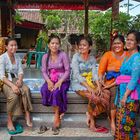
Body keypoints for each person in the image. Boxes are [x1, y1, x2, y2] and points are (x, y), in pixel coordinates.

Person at [71, 35, 109, 133]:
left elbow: (94, 74)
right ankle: (92, 123)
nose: (81, 47)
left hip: (90, 82)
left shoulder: (92, 58)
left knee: (104, 94)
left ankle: (90, 113)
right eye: (80, 45)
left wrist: (99, 86)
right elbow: (76, 75)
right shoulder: (75, 57)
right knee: (93, 96)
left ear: (90, 47)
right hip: (78, 83)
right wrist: (89, 87)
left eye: (84, 45)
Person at [0, 38, 33, 135]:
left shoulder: (17, 57)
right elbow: (2, 76)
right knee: (13, 96)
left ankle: (27, 114)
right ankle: (9, 121)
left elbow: (20, 71)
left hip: (15, 80)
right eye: (11, 45)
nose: (14, 47)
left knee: (26, 89)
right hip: (6, 82)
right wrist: (13, 86)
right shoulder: (2, 58)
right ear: (6, 46)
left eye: (15, 45)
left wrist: (20, 80)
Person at [41, 34, 70, 135]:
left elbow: (67, 71)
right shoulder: (45, 56)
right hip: (50, 79)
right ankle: (57, 112)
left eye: (57, 43)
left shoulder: (63, 55)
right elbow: (44, 71)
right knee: (44, 89)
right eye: (52, 43)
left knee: (56, 92)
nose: (55, 45)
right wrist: (48, 81)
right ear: (48, 45)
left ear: (59, 45)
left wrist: (60, 81)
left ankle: (57, 116)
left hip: (63, 80)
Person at [113, 30, 140, 140]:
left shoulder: (137, 58)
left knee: (127, 124)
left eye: (131, 40)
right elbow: (121, 76)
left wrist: (125, 96)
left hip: (130, 95)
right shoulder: (127, 57)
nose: (128, 42)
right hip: (122, 92)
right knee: (121, 123)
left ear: (138, 43)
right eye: (127, 39)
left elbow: (134, 79)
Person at [98, 35, 126, 134]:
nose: (116, 45)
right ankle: (113, 121)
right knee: (114, 92)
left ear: (124, 44)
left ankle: (123, 120)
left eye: (119, 43)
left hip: (124, 81)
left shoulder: (128, 55)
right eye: (114, 43)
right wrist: (101, 81)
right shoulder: (107, 55)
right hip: (109, 83)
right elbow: (101, 71)